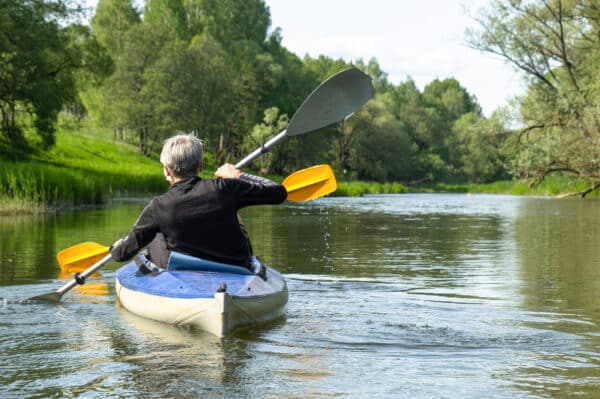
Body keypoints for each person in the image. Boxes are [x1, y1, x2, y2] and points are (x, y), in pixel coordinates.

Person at [110, 134, 287, 269]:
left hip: (185, 269)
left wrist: (114, 248)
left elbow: (123, 254)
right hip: (236, 266)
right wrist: (238, 176)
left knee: (156, 235)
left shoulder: (158, 206)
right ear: (200, 165)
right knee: (235, 214)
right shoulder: (225, 188)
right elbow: (279, 192)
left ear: (166, 170)